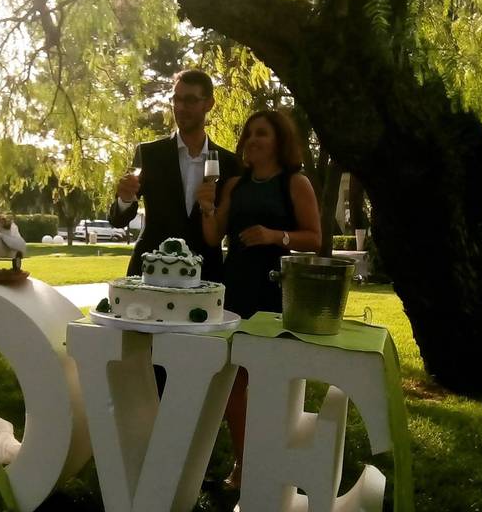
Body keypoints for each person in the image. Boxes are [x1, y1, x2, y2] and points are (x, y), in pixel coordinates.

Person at [196, 109, 322, 489]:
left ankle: (275, 463)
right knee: (233, 379)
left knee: (270, 379)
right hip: (237, 287)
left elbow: (314, 238)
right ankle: (244, 462)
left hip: (276, 289)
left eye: (262, 133)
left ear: (279, 141)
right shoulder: (235, 185)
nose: (252, 140)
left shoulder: (295, 183)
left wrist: (274, 236)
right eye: (249, 133)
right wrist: (206, 205)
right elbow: (211, 236)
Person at [109, 68, 240, 282]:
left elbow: (228, 225)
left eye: (189, 100)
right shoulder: (149, 154)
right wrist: (124, 199)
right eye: (176, 99)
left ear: (209, 104)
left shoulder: (229, 162)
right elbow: (119, 219)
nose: (180, 107)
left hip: (204, 274)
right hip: (150, 272)